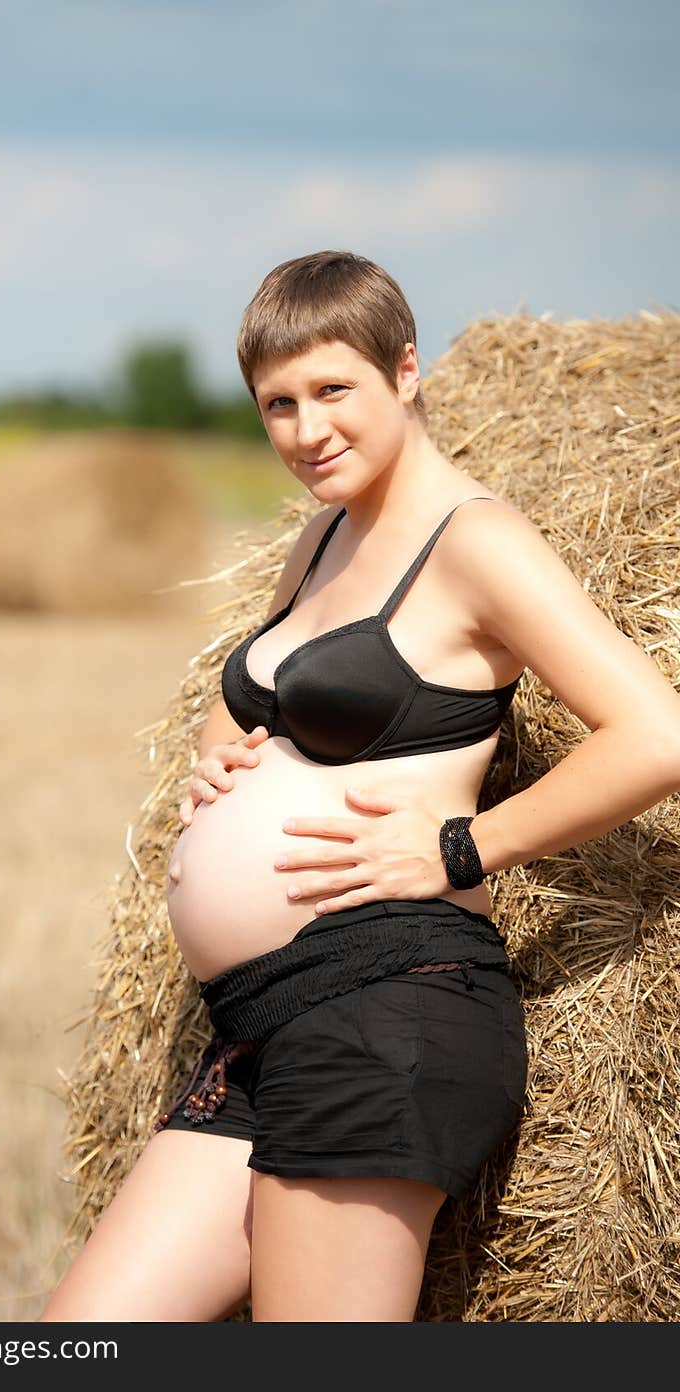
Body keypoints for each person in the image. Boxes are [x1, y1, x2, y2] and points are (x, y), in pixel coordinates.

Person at [39, 251, 680, 1322]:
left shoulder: (476, 541)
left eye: (333, 390)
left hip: (384, 1009)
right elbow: (259, 679)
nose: (305, 429)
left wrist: (457, 847)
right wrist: (220, 750)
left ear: (405, 372)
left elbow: (655, 736)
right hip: (258, 1028)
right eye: (276, 405)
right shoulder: (324, 536)